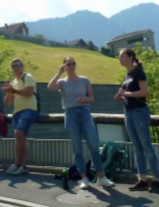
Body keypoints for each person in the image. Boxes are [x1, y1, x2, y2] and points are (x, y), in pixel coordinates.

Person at [48, 57, 115, 190]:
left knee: (93, 144)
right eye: (68, 64)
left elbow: (92, 98)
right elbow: (50, 87)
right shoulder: (62, 82)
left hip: (84, 112)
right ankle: (84, 177)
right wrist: (59, 72)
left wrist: (84, 99)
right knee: (77, 147)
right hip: (70, 113)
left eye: (74, 63)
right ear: (64, 66)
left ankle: (101, 176)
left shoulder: (84, 80)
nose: (72, 66)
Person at [115, 48, 159, 192]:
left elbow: (144, 92)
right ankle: (142, 179)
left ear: (130, 57)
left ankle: (156, 180)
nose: (120, 59)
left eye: (122, 56)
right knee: (137, 148)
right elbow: (125, 93)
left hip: (139, 112)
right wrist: (121, 95)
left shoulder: (138, 72)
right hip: (128, 112)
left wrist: (127, 93)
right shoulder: (127, 75)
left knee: (146, 146)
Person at [2, 58, 37, 176]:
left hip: (29, 109)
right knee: (20, 137)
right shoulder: (13, 82)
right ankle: (21, 165)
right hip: (17, 112)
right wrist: (9, 92)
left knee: (18, 132)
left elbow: (29, 92)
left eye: (18, 65)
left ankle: (19, 164)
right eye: (14, 66)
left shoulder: (28, 77)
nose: (16, 67)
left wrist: (13, 90)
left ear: (22, 67)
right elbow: (8, 102)